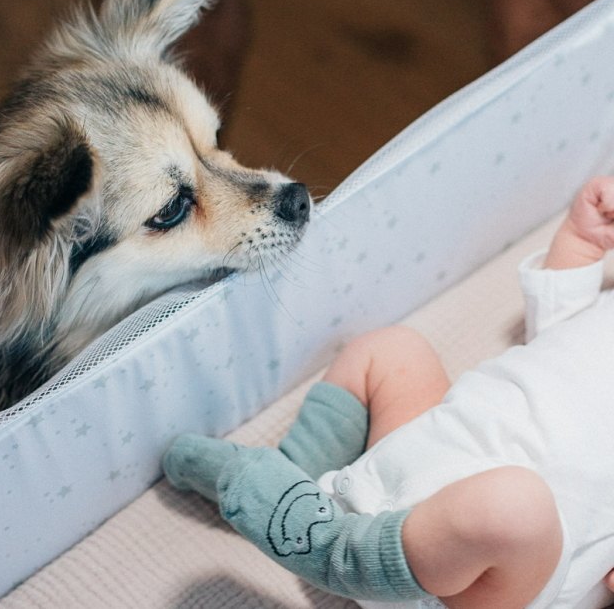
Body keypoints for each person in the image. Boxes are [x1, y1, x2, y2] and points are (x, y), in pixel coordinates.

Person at [163, 176, 614, 609]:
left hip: (491, 577)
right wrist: (584, 239)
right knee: (393, 351)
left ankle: (328, 549)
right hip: (423, 448)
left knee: (516, 508)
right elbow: (561, 317)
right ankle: (296, 472)